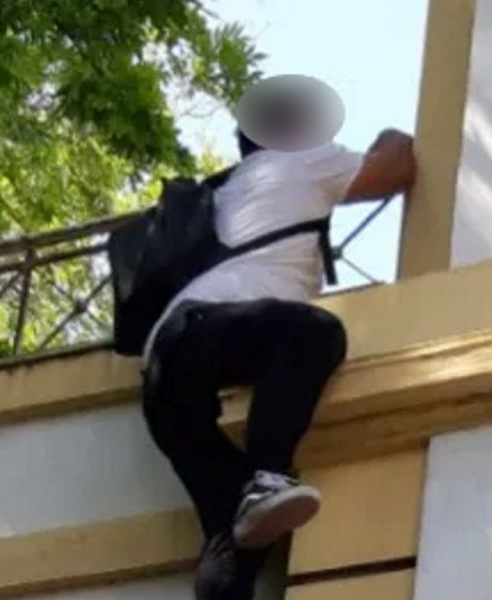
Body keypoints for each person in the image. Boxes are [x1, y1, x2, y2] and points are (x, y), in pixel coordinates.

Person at [140, 123, 416, 599]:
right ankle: (267, 478)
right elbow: (396, 167)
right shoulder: (300, 160)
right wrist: (392, 134)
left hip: (164, 364)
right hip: (212, 328)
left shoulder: (226, 186)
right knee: (315, 333)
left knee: (234, 538)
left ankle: (245, 525)